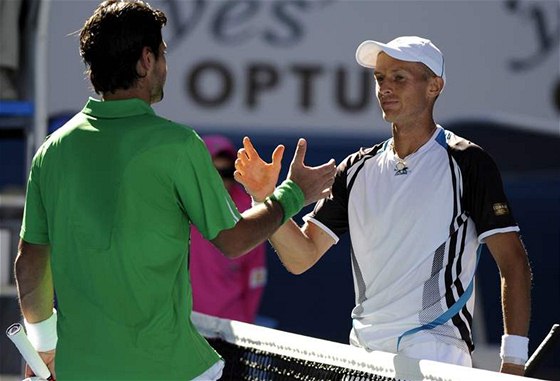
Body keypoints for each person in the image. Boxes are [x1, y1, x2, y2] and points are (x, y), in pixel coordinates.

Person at [13, 1, 336, 380]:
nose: (166, 66)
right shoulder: (177, 146)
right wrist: (293, 193)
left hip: (78, 370)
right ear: (146, 60)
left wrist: (45, 345)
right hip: (169, 369)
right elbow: (233, 241)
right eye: (163, 54)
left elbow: (30, 264)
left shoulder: (52, 152)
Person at [234, 36, 532, 376]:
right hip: (364, 357)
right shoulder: (355, 169)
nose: (384, 88)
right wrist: (266, 196)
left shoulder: (468, 162)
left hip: (435, 353)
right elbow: (301, 257)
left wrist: (514, 362)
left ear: (434, 86)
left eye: (399, 78)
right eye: (380, 78)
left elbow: (514, 263)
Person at [190, 135, 267, 323]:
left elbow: (255, 275)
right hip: (184, 324)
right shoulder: (180, 205)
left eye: (225, 173)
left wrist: (245, 326)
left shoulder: (250, 211)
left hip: (230, 325)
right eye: (213, 171)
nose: (220, 180)